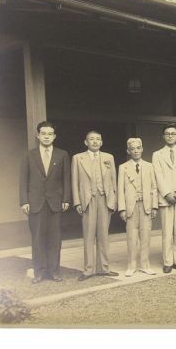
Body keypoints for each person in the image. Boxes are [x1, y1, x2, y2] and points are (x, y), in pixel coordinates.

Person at [19, 121, 71, 284]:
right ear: (38, 135)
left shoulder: (62, 154)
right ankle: (39, 272)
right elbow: (23, 180)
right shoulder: (30, 155)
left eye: (50, 134)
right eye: (43, 133)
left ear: (54, 136)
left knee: (55, 239)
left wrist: (66, 199)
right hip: (35, 203)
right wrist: (24, 201)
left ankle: (54, 271)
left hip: (55, 203)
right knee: (37, 238)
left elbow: (66, 179)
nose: (46, 137)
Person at [72, 130, 119, 281]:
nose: (95, 141)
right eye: (91, 139)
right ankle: (88, 269)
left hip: (105, 199)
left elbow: (113, 181)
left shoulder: (108, 157)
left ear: (102, 142)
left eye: (98, 139)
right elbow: (74, 182)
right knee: (89, 235)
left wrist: (114, 200)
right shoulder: (78, 158)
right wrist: (77, 201)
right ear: (86, 142)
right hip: (88, 199)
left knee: (104, 235)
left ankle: (104, 268)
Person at [117, 138, 160, 277]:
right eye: (133, 149)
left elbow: (154, 187)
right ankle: (131, 266)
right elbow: (120, 189)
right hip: (131, 206)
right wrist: (122, 209)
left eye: (138, 148)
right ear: (128, 151)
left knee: (146, 236)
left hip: (146, 205)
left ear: (142, 149)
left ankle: (145, 265)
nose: (136, 151)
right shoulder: (123, 167)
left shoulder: (149, 166)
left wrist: (154, 206)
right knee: (131, 236)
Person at [152, 124, 176, 274]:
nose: (170, 136)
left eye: (173, 133)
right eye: (167, 134)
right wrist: (167, 193)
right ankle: (167, 261)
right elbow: (158, 175)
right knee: (167, 231)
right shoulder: (157, 154)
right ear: (163, 136)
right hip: (165, 198)